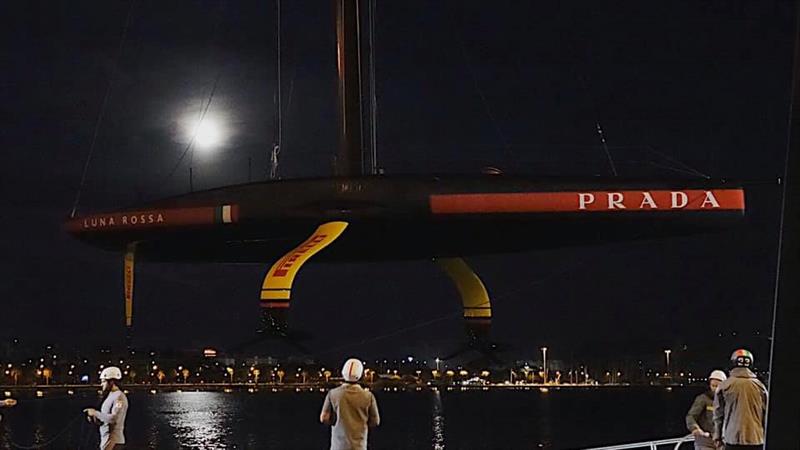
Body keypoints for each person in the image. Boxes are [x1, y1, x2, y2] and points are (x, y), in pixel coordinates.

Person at [320, 358, 380, 450]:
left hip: (338, 446)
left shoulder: (333, 394)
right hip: (359, 446)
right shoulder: (368, 396)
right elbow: (375, 421)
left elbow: (324, 418)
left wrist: (336, 422)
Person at [713, 349, 768, 450]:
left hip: (732, 438)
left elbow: (718, 415)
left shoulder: (724, 385)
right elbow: (766, 414)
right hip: (756, 439)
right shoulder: (760, 386)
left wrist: (717, 437)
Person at [83, 366, 129, 450]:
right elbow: (105, 420)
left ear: (111, 382)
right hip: (106, 441)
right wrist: (94, 418)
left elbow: (114, 419)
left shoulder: (119, 397)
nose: (101, 384)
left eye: (103, 381)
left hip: (114, 442)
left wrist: (95, 413)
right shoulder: (110, 396)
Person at [686, 369, 727, 450]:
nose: (715, 389)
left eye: (718, 386)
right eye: (713, 386)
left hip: (722, 442)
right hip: (705, 441)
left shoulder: (728, 401)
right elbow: (691, 416)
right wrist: (695, 429)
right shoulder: (703, 399)